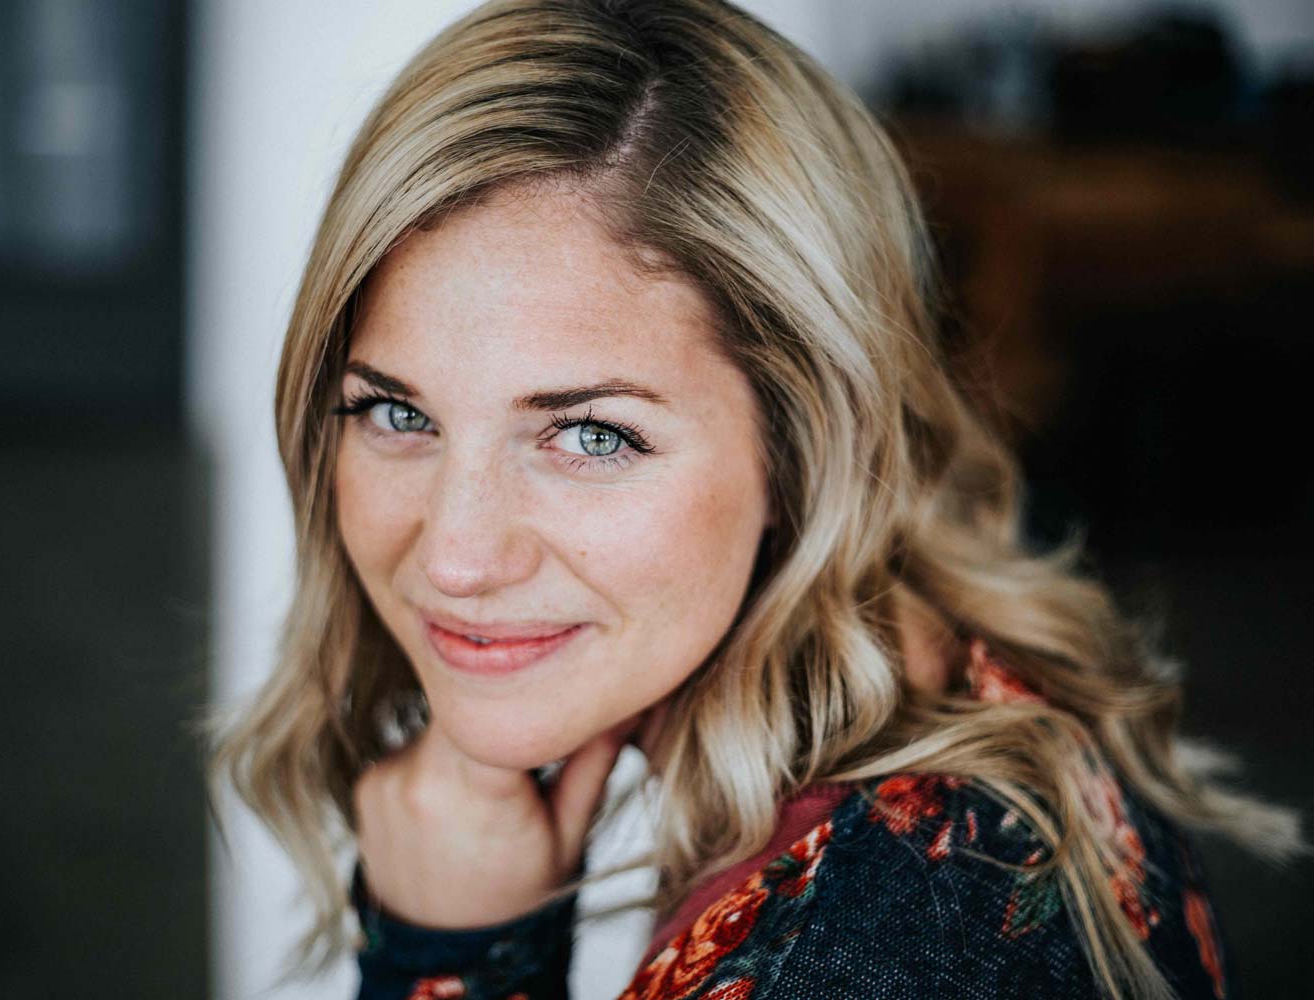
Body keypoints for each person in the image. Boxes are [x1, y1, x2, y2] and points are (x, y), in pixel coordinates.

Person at [205, 1, 1307, 998]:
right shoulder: (961, 691)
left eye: (592, 435)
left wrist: (451, 964)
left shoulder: (856, 957)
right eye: (395, 413)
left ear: (801, 441)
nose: (454, 555)